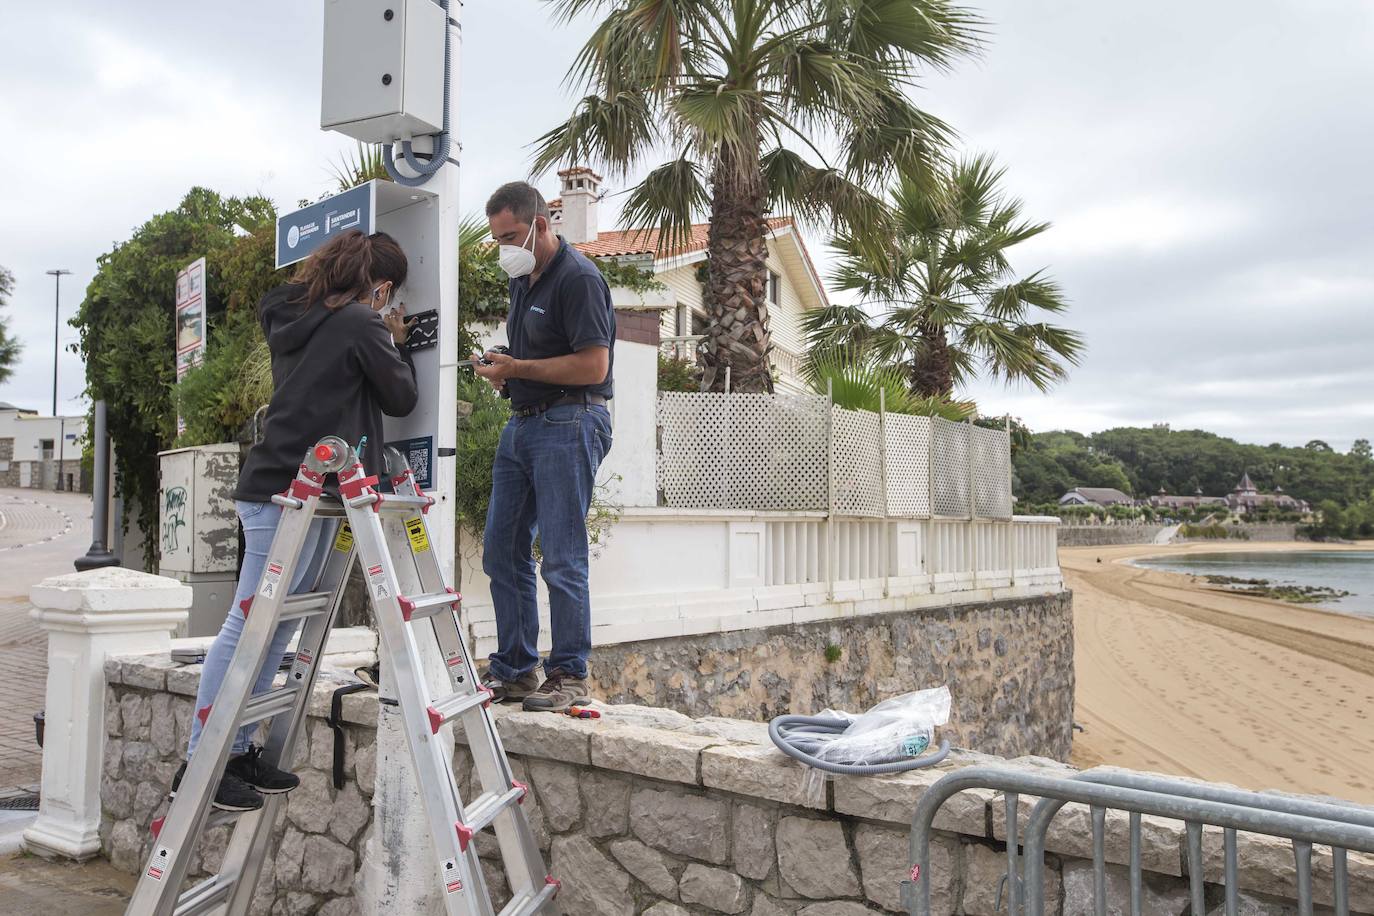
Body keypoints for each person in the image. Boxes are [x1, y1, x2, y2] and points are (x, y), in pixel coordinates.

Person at [173, 230, 418, 811]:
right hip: (298, 489)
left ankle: (236, 749)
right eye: (386, 293)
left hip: (292, 486)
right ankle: (200, 761)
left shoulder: (289, 310)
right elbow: (401, 396)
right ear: (378, 286)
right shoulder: (362, 324)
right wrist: (393, 337)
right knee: (251, 622)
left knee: (274, 624)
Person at [474, 181, 615, 712]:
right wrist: (502, 367)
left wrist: (520, 368)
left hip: (570, 420)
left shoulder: (578, 278)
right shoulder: (522, 278)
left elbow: (592, 364)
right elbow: (534, 353)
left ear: (540, 224)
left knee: (561, 555)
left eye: (510, 235)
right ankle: (514, 671)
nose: (503, 246)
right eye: (497, 238)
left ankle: (569, 674)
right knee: (501, 550)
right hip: (524, 420)